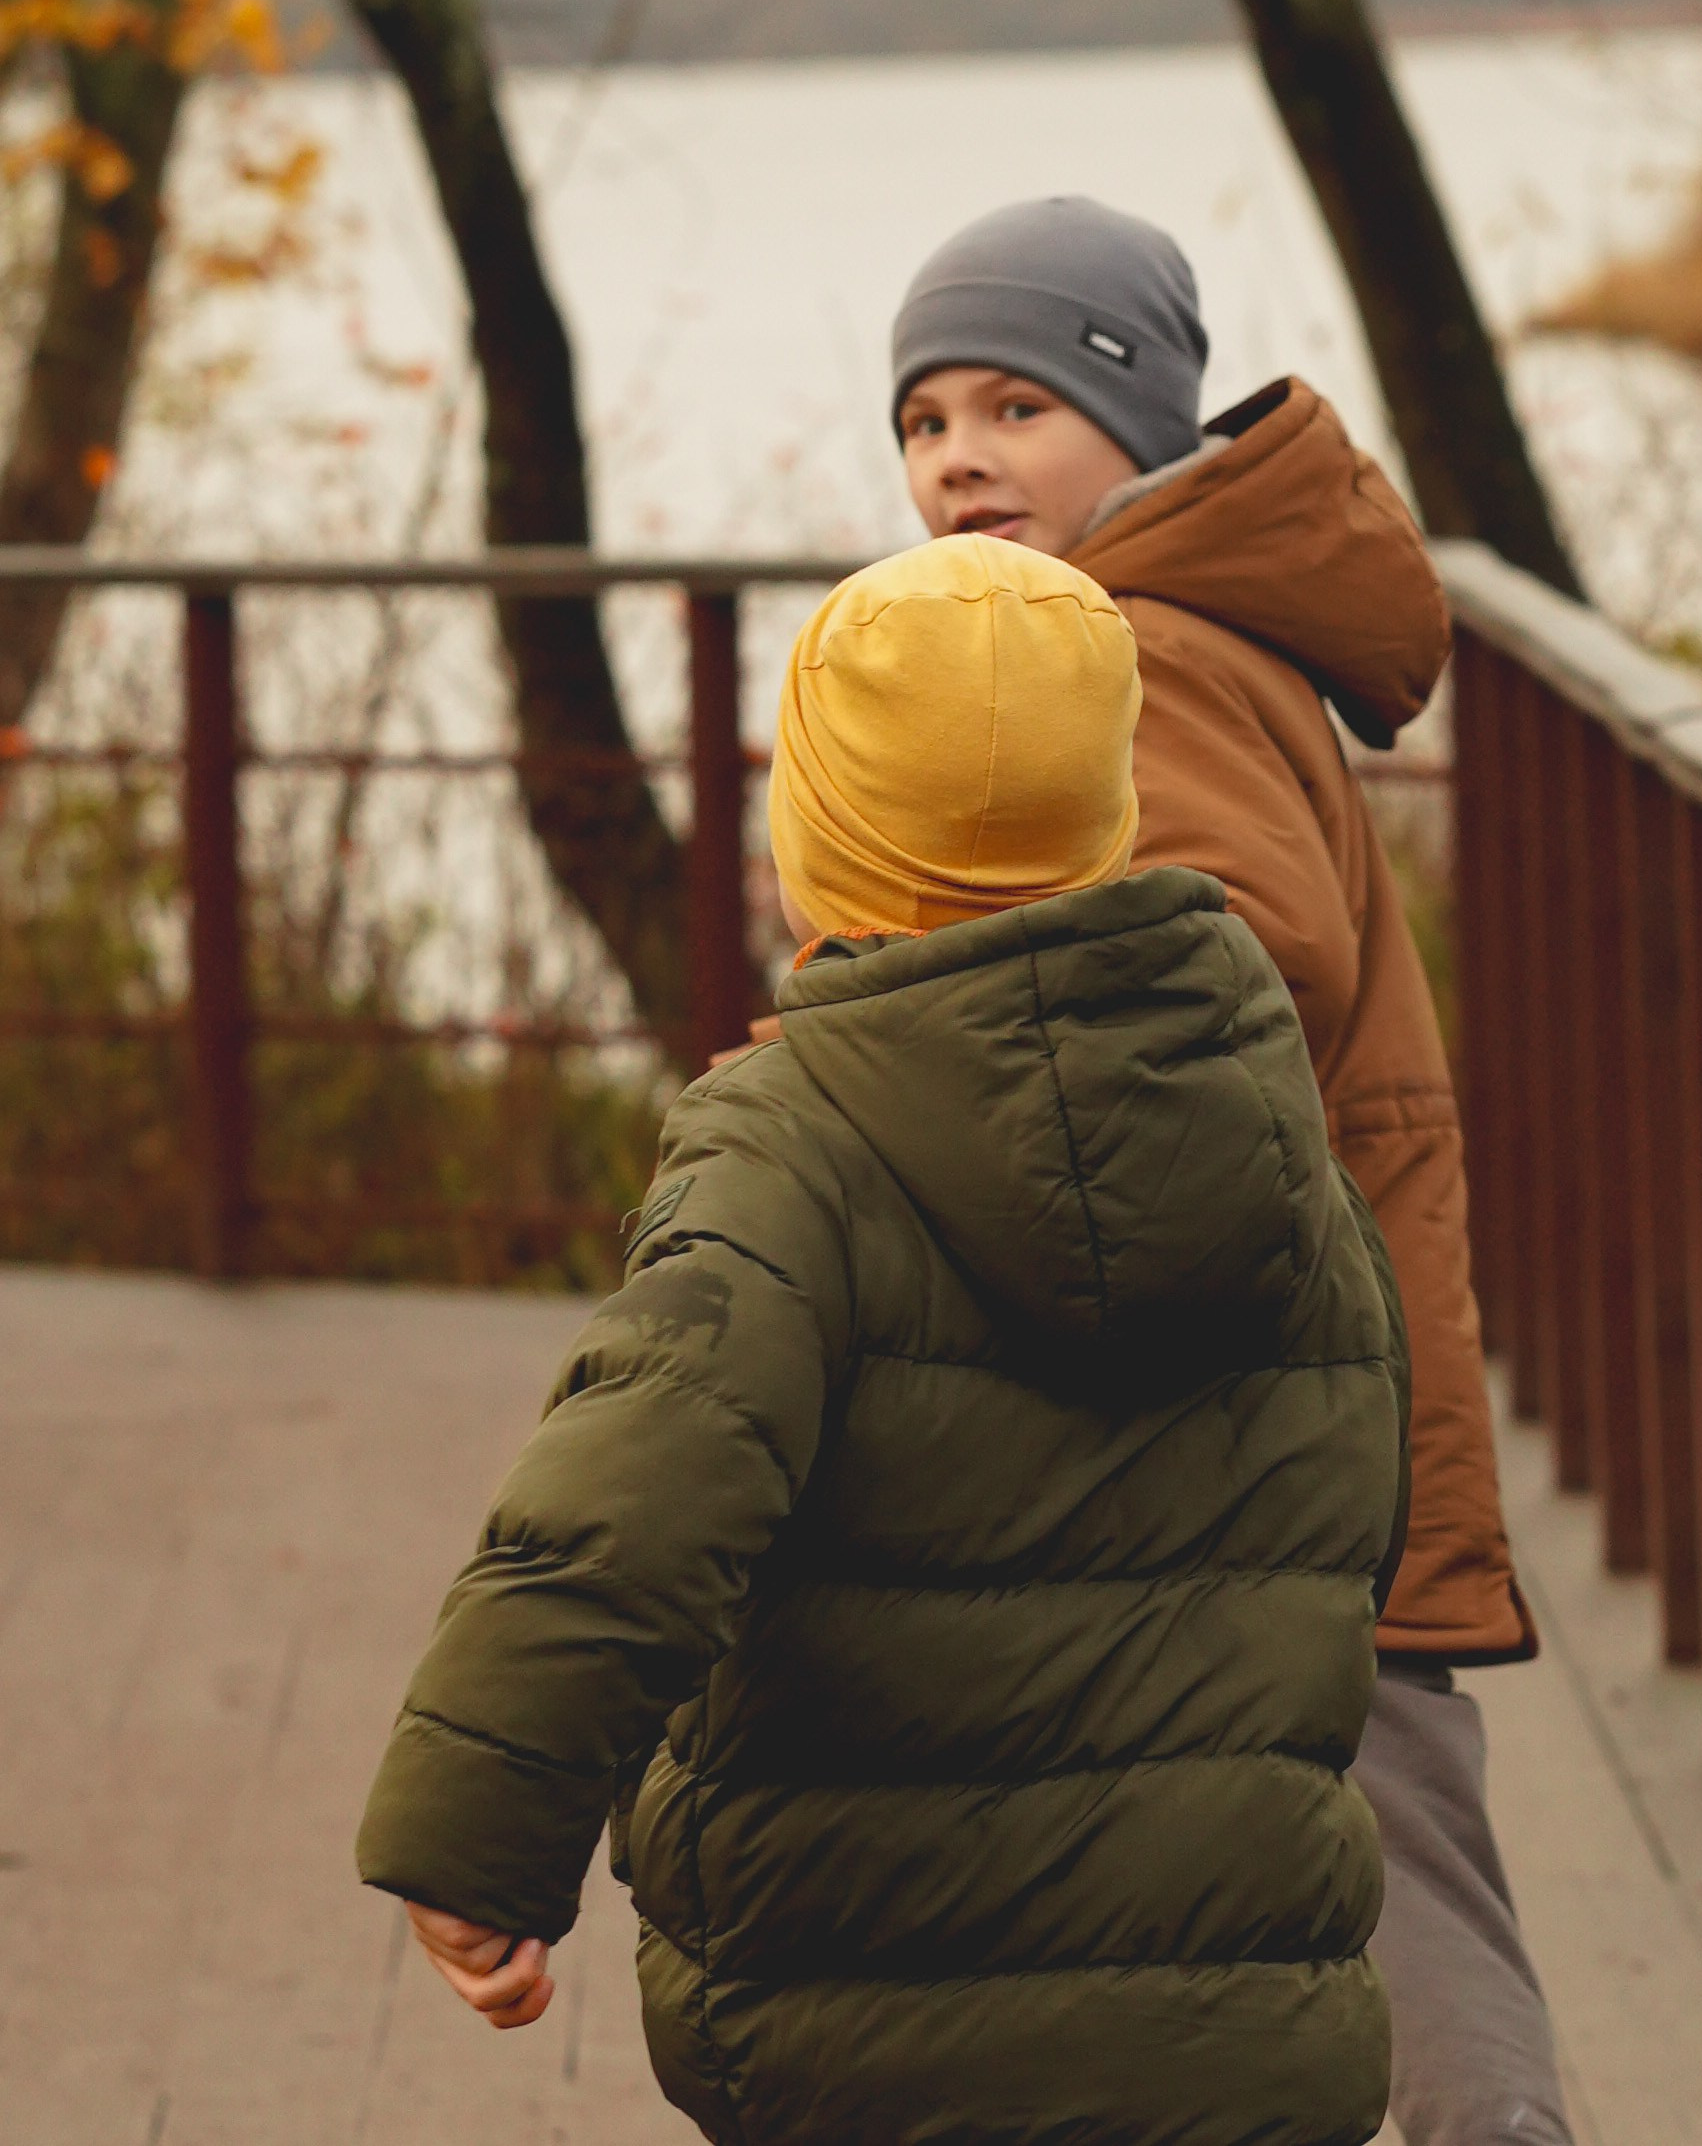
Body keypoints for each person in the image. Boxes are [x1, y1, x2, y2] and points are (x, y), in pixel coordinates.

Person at [357, 532, 1411, 2146]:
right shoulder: (1270, 1131)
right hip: (1235, 2018)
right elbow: (1355, 1507)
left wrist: (474, 1830)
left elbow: (622, 1512)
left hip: (865, 2011)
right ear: (1114, 807)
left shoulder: (787, 1155)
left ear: (815, 837)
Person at [890, 197, 1570, 2146]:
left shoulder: (1133, 655)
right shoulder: (1148, 636)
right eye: (926, 419)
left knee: (1381, 1867)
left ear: (1149, 428)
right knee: (1373, 1852)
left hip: (1265, 1430)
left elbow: (1211, 994)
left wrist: (897, 1083)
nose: (959, 456)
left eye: (1018, 402)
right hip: (1303, 1403)